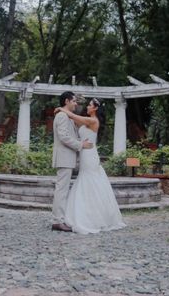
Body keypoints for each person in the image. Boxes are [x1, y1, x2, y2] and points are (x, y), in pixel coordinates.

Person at [57, 98, 126, 235]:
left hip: (89, 155)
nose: (87, 107)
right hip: (85, 154)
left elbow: (73, 116)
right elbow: (73, 122)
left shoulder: (93, 121)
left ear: (94, 108)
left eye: (89, 105)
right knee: (87, 180)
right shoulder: (87, 120)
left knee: (88, 181)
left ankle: (90, 218)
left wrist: (61, 109)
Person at [52, 91, 93, 232]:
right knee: (61, 190)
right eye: (74, 101)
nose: (76, 104)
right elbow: (63, 137)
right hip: (64, 157)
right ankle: (58, 221)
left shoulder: (66, 115)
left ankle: (60, 219)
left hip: (67, 157)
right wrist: (81, 145)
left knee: (62, 189)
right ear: (67, 102)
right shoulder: (62, 116)